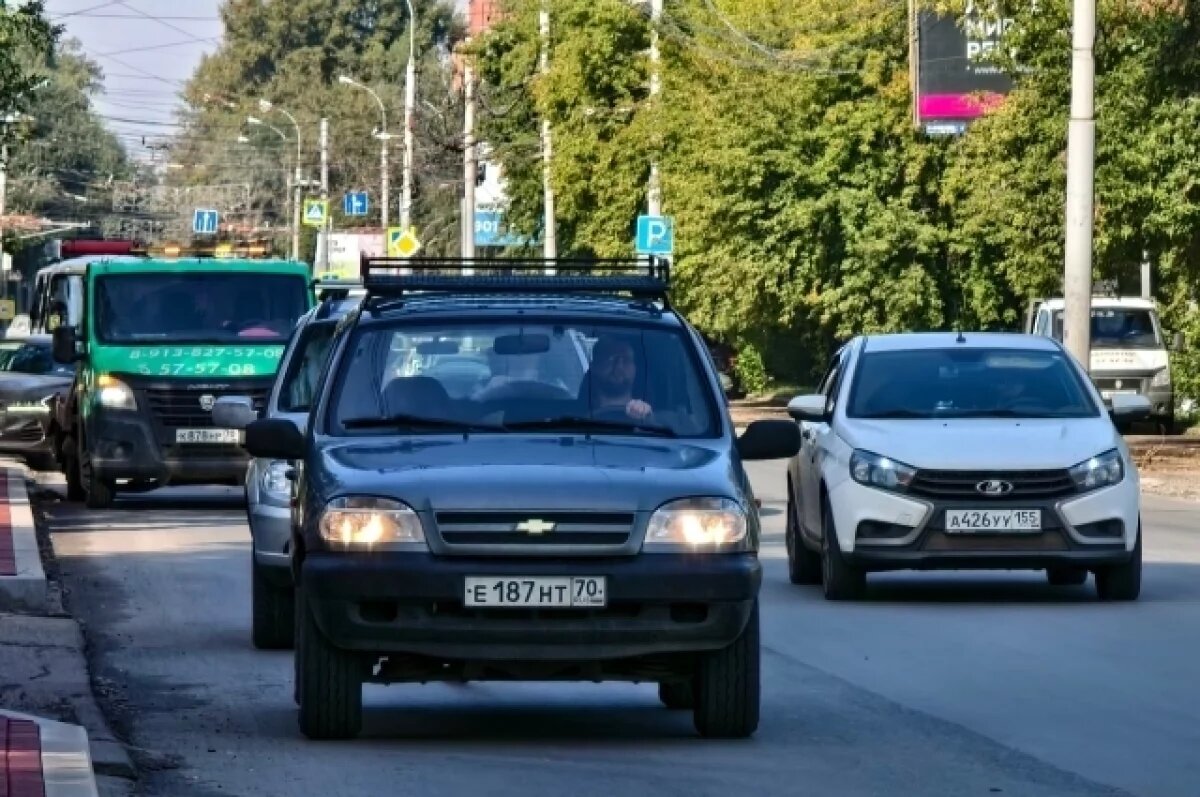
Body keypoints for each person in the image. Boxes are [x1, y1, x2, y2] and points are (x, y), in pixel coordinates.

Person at [586, 334, 653, 420]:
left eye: (626, 359)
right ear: (594, 366)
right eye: (611, 359)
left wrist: (648, 419)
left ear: (635, 369)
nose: (619, 366)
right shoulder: (570, 417)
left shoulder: (656, 419)